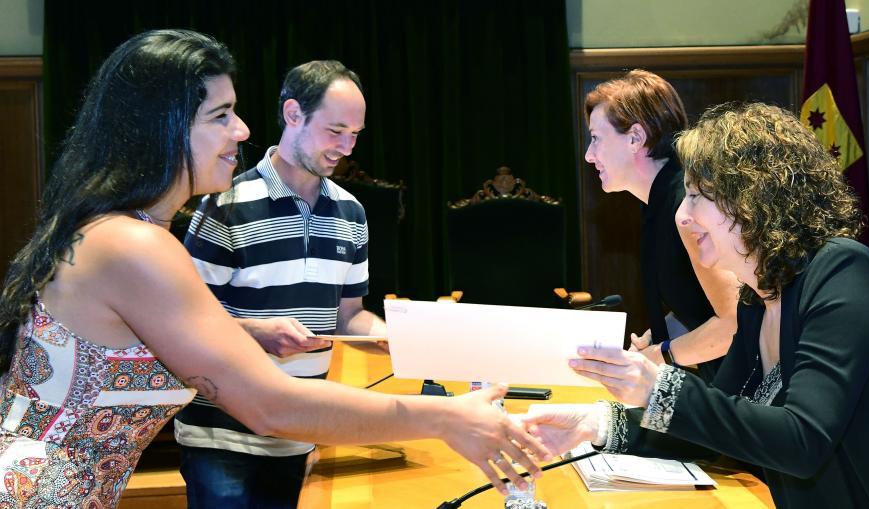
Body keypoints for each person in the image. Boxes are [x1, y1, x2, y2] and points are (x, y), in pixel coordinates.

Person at [0, 29, 549, 508]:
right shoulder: (132, 243)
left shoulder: (121, 231)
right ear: (157, 128)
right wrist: (448, 417)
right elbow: (271, 404)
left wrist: (254, 329)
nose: (241, 130)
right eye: (220, 115)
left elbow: (162, 336)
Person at [519, 103, 869, 507]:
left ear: (755, 199)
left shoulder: (843, 272)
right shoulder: (759, 298)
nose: (682, 216)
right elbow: (716, 432)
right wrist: (592, 424)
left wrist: (658, 387)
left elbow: (801, 440)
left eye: (698, 197)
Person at [173, 59, 390, 508]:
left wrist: (387, 336)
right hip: (221, 437)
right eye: (335, 131)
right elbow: (180, 324)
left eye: (355, 134)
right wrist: (257, 332)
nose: (346, 147)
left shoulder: (351, 213)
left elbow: (350, 316)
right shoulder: (226, 203)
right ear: (294, 114)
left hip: (300, 430)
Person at [583, 69, 739, 381]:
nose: (589, 155)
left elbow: (734, 323)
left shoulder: (688, 210)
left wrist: (660, 354)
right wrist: (658, 337)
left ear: (635, 138)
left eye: (596, 138)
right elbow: (700, 306)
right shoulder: (661, 201)